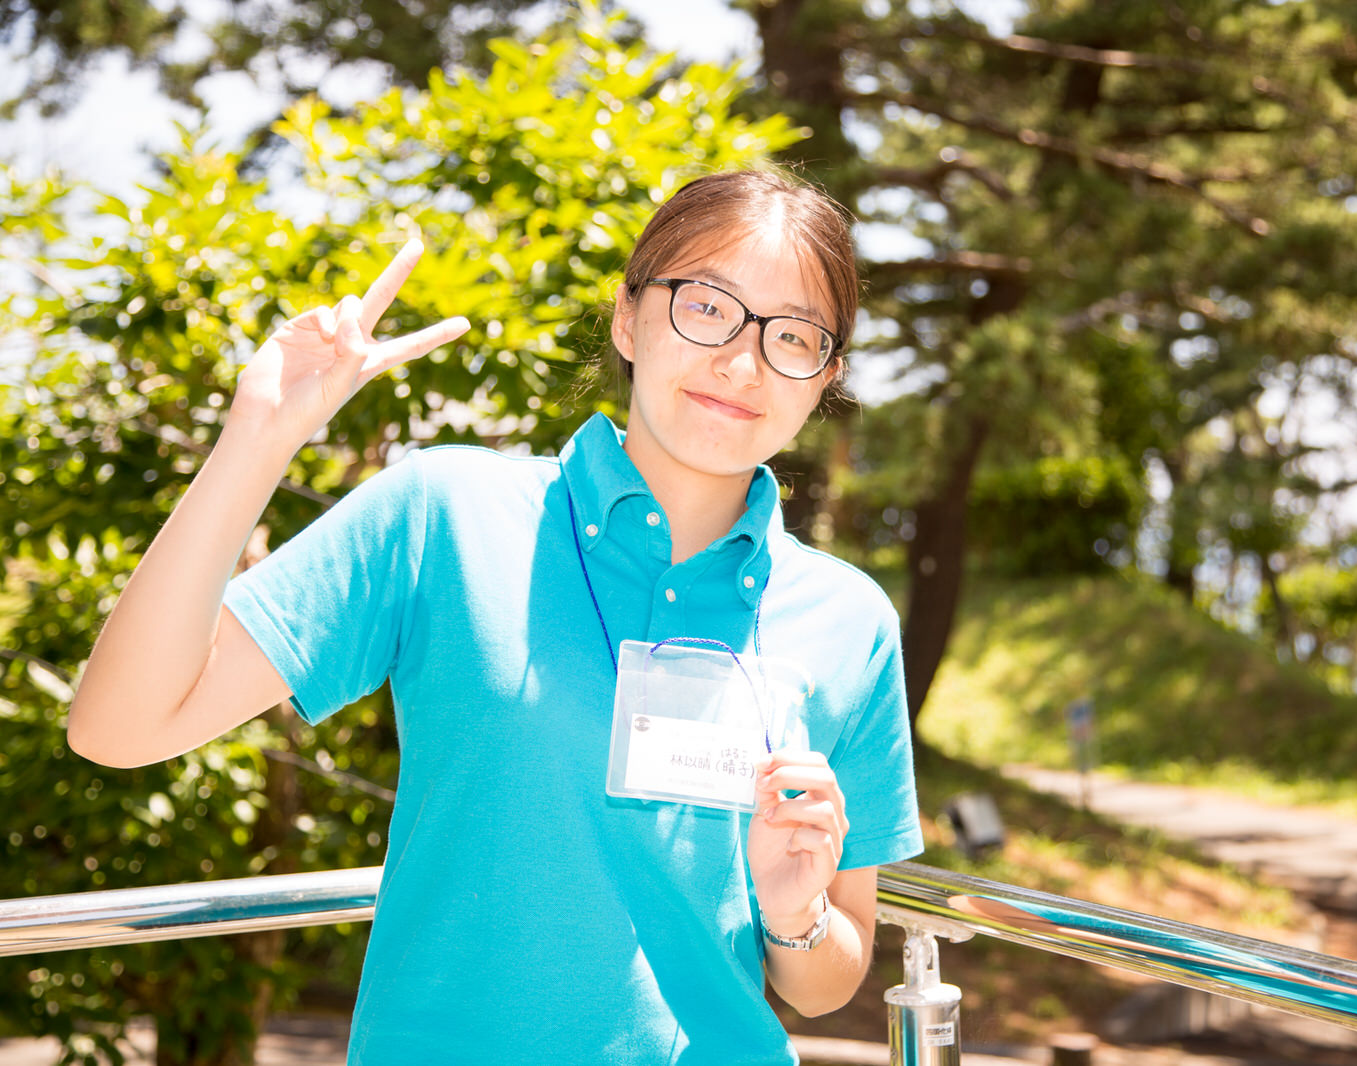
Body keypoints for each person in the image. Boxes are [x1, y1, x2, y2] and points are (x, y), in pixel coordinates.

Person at [67, 168, 924, 1064]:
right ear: (628, 316)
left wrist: (794, 916)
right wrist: (261, 435)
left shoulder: (850, 620)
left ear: (823, 377)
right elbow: (118, 727)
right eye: (707, 307)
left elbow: (827, 981)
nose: (741, 363)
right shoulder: (442, 514)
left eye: (792, 336)